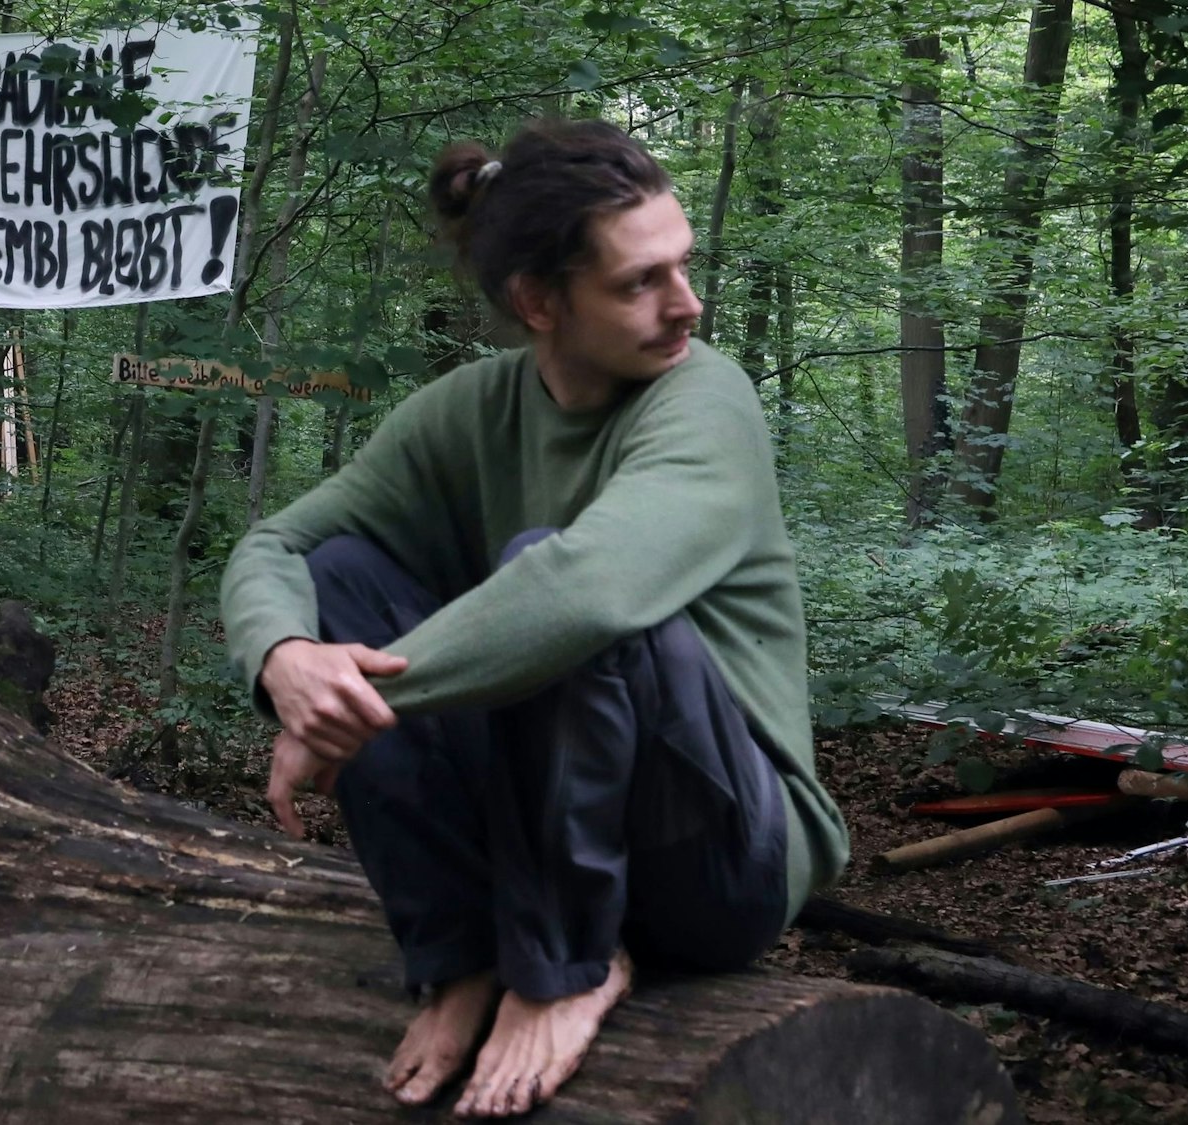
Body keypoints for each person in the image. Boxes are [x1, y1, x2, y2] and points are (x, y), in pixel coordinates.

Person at [218, 118, 849, 1119]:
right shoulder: (464, 414)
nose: (685, 303)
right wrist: (288, 664)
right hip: (538, 828)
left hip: (726, 859)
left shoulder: (703, 401)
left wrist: (346, 711)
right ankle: (462, 957)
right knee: (339, 574)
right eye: (638, 282)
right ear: (535, 302)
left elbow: (584, 593)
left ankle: (566, 966)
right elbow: (274, 549)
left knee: (549, 583)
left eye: (680, 266)